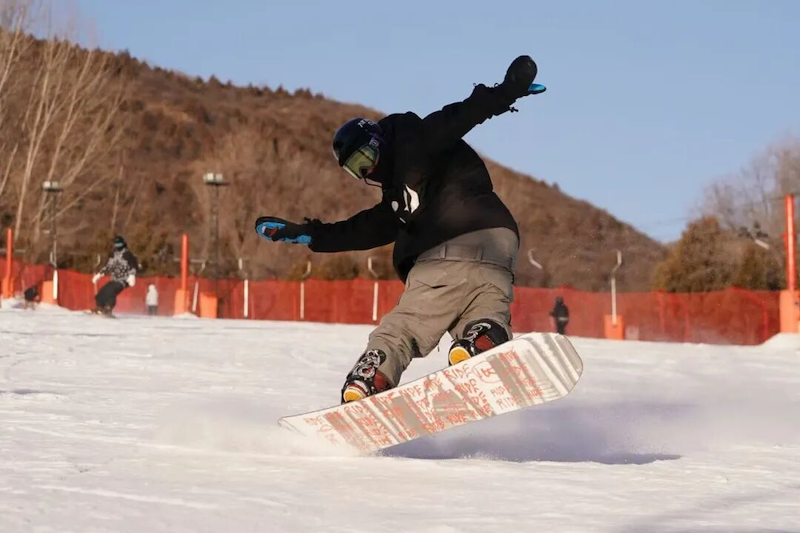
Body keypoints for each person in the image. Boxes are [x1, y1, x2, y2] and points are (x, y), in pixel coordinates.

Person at [256, 55, 543, 403]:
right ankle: (484, 337)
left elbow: (462, 115)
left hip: (446, 250)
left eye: (366, 158)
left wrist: (505, 92)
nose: (368, 171)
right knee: (485, 308)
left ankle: (372, 375)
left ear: (378, 140)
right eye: (356, 170)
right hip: (499, 246)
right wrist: (311, 234)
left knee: (403, 327)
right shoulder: (397, 202)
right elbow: (362, 230)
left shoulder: (416, 138)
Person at [91, 236, 139, 316]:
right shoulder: (113, 255)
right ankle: (100, 307)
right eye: (116, 244)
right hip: (115, 279)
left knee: (111, 290)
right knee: (102, 292)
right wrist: (100, 274)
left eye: (119, 244)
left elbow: (134, 265)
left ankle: (108, 308)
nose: (117, 246)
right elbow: (108, 266)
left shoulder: (127, 254)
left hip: (124, 279)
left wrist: (132, 276)